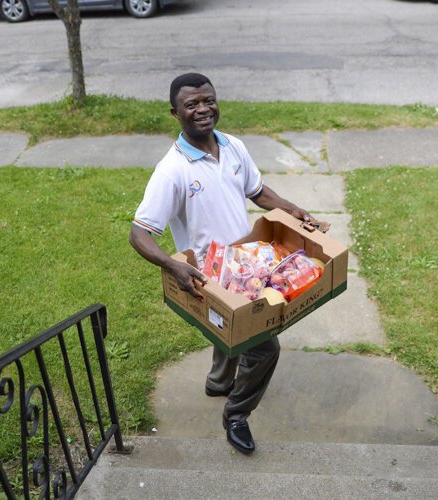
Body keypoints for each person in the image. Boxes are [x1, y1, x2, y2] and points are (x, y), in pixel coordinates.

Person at [129, 72, 314, 455]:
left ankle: (218, 381)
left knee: (229, 333)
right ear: (175, 113)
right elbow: (139, 234)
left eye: (208, 100)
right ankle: (236, 415)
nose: (203, 110)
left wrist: (294, 210)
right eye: (191, 105)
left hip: (248, 263)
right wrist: (173, 266)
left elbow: (258, 192)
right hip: (210, 277)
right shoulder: (172, 170)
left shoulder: (233, 147)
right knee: (265, 349)